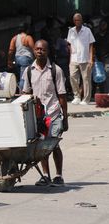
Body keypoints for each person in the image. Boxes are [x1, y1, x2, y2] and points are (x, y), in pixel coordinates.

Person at [22, 40, 68, 186]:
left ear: (48, 51)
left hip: (54, 113)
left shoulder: (56, 70)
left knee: (54, 145)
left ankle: (59, 176)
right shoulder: (29, 71)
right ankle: (46, 175)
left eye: (42, 49)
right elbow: (26, 94)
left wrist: (65, 118)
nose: (39, 51)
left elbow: (62, 96)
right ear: (33, 51)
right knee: (42, 147)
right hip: (38, 117)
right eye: (37, 49)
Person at [67, 12, 95, 105]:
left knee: (86, 79)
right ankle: (77, 96)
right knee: (72, 77)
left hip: (85, 58)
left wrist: (91, 59)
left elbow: (91, 45)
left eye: (78, 20)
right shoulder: (71, 31)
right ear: (73, 21)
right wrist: (70, 58)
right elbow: (70, 45)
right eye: (75, 20)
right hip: (74, 58)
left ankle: (86, 99)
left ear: (81, 20)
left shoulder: (87, 31)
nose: (77, 21)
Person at [7, 23, 35, 91]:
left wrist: (9, 61)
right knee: (24, 77)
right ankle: (22, 93)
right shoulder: (28, 38)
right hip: (26, 59)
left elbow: (11, 50)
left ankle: (21, 90)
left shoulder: (15, 38)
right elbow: (34, 49)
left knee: (20, 76)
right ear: (27, 29)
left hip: (17, 59)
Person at [92, 18, 109, 94]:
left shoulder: (108, 35)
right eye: (101, 25)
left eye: (104, 25)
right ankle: (102, 94)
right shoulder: (96, 36)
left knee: (107, 75)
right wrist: (94, 57)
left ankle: (107, 93)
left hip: (107, 58)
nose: (103, 26)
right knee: (100, 76)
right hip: (98, 59)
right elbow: (93, 47)